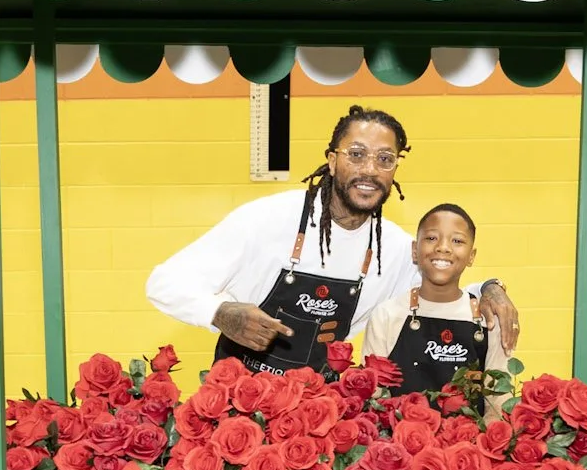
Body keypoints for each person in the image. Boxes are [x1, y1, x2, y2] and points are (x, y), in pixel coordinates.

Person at [146, 105, 518, 376]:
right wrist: (221, 313)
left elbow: (445, 291)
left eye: (385, 159)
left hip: (318, 416)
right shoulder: (267, 218)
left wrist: (490, 287)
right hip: (236, 405)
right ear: (331, 160)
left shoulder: (392, 246)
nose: (370, 170)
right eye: (356, 155)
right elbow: (164, 282)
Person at [360, 202, 511, 407]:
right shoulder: (387, 315)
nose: (443, 247)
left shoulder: (491, 319)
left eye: (457, 240)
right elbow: (372, 399)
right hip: (398, 438)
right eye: (431, 238)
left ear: (471, 256)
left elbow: (499, 404)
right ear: (415, 250)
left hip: (469, 438)